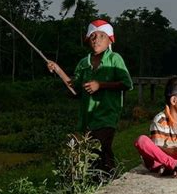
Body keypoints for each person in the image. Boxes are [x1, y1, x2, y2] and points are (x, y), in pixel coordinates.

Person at [47, 19, 133, 173]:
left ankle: (107, 179)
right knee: (95, 153)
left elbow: (127, 83)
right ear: (88, 39)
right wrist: (58, 70)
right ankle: (105, 179)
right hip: (88, 116)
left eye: (102, 36)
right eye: (93, 36)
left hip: (107, 114)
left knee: (100, 147)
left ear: (109, 40)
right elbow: (75, 89)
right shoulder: (83, 63)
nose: (96, 40)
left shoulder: (115, 59)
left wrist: (100, 85)